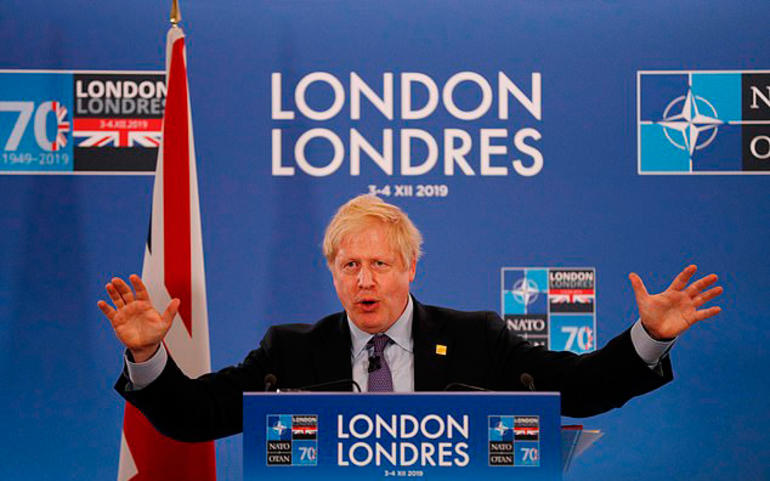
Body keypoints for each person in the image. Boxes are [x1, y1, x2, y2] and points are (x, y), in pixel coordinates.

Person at [99, 194, 723, 442]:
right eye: (349, 265)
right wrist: (148, 355)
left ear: (410, 269)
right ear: (333, 272)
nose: (364, 280)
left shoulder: (476, 338)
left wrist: (649, 336)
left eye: (380, 264)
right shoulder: (290, 352)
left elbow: (580, 388)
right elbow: (195, 417)